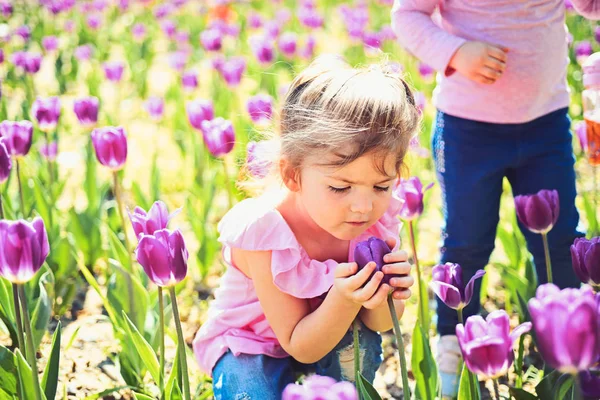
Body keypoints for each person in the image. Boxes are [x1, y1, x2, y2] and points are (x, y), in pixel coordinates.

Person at [391, 0, 600, 397]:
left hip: (546, 122)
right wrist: (455, 52)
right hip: (469, 129)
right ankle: (455, 346)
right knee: (466, 242)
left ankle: (570, 342)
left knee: (558, 239)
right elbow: (407, 15)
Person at [192, 54, 419, 399]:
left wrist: (387, 294)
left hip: (331, 333)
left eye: (381, 186)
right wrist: (343, 299)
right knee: (248, 392)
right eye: (340, 187)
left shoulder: (375, 221)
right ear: (292, 174)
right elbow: (300, 344)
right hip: (253, 343)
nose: (363, 205)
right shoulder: (265, 234)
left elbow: (379, 325)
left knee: (358, 347)